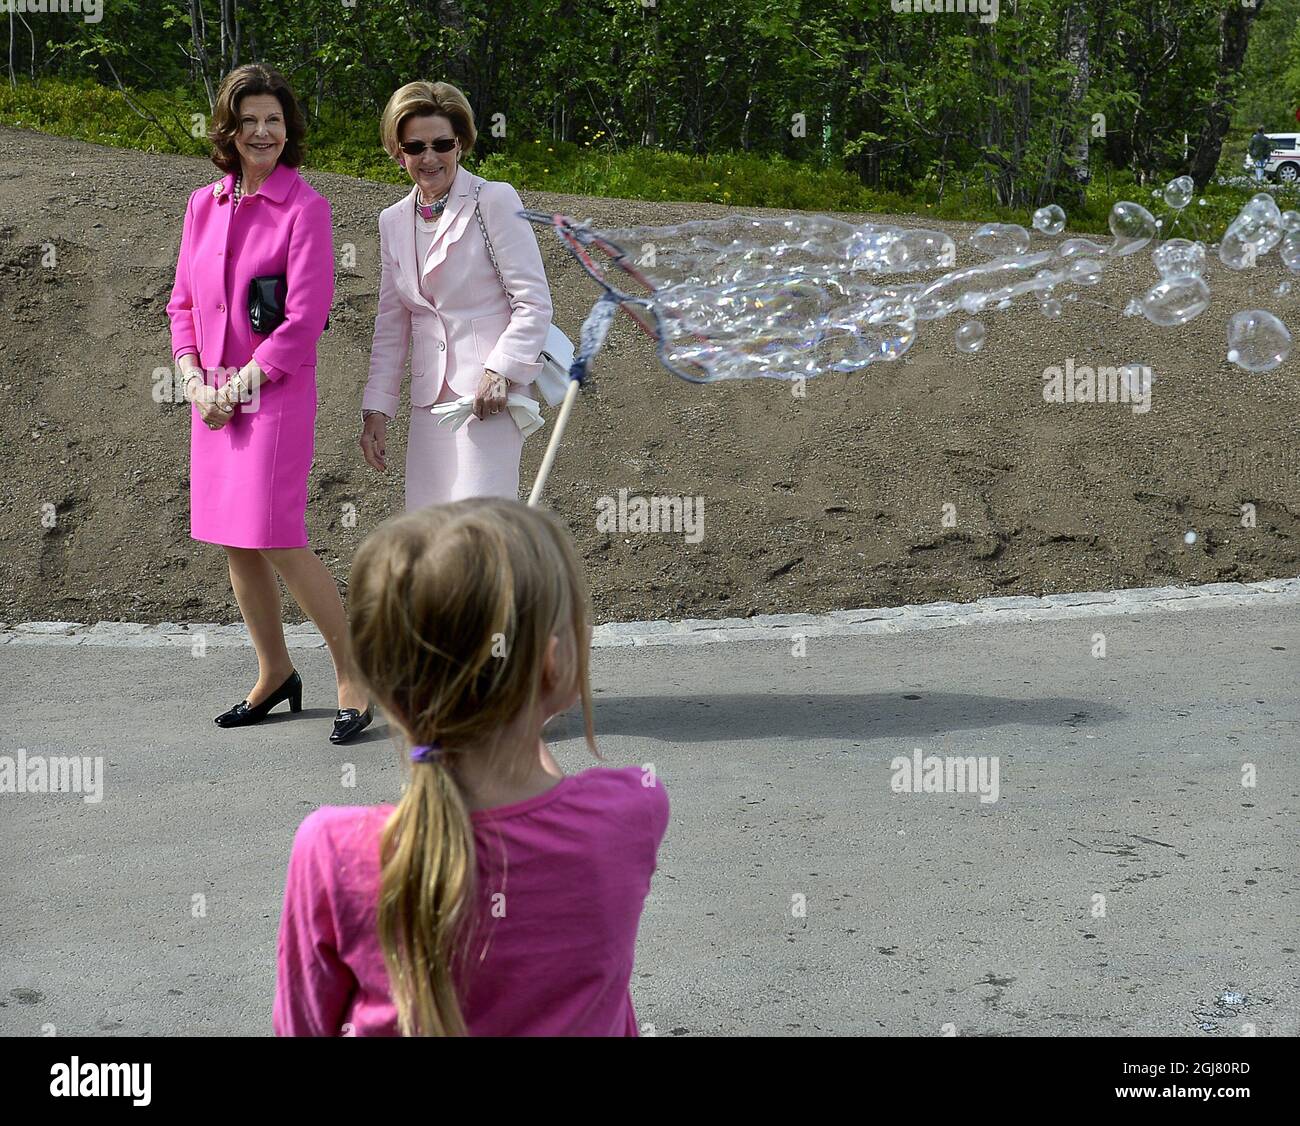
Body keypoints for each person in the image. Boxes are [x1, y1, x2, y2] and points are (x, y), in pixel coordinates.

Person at [273, 499, 670, 1036]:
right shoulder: (629, 812)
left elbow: (301, 1027)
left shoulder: (331, 851)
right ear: (555, 666)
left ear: (382, 684)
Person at [166, 63, 373, 745]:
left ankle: (352, 677)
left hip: (273, 397)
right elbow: (183, 305)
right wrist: (194, 379)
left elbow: (305, 319)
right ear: (228, 129)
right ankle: (275, 671)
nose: (263, 132)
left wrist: (237, 387)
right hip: (212, 396)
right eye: (249, 120)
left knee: (279, 536)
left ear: (290, 130)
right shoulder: (203, 205)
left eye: (274, 121)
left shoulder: (306, 208)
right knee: (236, 541)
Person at [359, 81, 552, 509]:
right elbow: (392, 324)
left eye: (442, 143)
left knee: (480, 532)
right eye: (415, 146)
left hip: (489, 398)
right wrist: (377, 409)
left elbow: (533, 300)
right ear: (398, 151)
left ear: (461, 144)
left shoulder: (495, 199)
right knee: (430, 537)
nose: (429, 157)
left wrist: (500, 370)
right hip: (430, 405)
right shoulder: (392, 221)